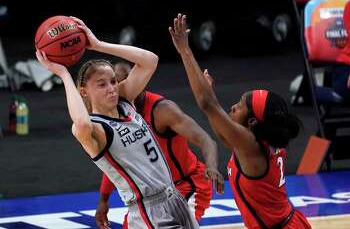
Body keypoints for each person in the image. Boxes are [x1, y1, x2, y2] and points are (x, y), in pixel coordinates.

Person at [36, 16, 201, 229]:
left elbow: (149, 60)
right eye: (102, 84)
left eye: (113, 81)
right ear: (84, 92)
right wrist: (64, 75)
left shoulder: (125, 102)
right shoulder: (95, 129)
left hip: (175, 197)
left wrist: (98, 44)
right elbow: (81, 124)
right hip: (148, 210)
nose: (112, 87)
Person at [169, 14, 312, 229]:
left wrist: (185, 51)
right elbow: (220, 125)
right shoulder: (255, 140)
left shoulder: (251, 145)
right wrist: (210, 96)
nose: (233, 106)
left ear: (253, 121)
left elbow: (207, 104)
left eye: (241, 105)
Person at [95, 62, 224, 228]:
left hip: (187, 185)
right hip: (153, 196)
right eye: (115, 83)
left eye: (124, 82)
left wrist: (212, 166)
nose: (116, 89)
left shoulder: (162, 110)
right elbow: (117, 162)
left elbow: (205, 139)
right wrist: (103, 200)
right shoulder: (116, 115)